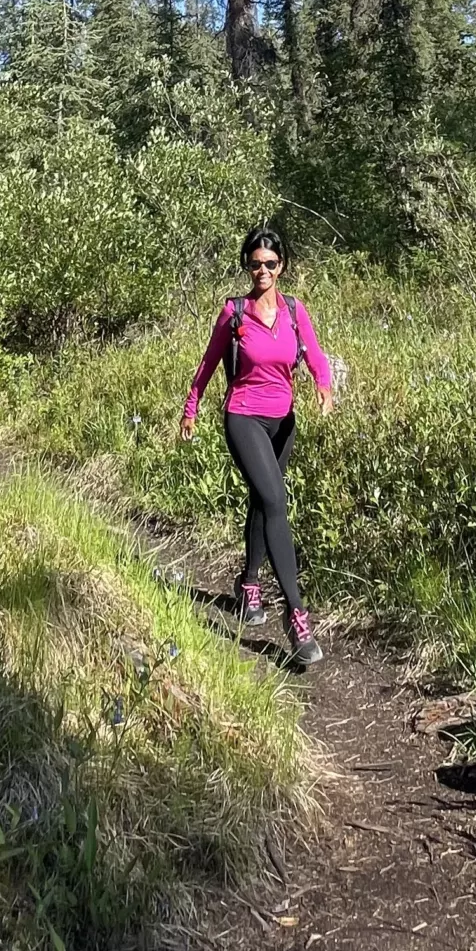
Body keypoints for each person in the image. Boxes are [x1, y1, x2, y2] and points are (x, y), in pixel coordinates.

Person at [179, 224, 334, 667]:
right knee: (276, 500)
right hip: (243, 416)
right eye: (254, 264)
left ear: (281, 265)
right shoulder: (234, 313)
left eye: (269, 263)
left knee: (263, 503)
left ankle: (249, 585)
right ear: (246, 267)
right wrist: (191, 409)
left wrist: (323, 385)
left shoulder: (293, 310)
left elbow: (314, 354)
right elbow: (209, 363)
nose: (262, 270)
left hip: (283, 421)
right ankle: (297, 616)